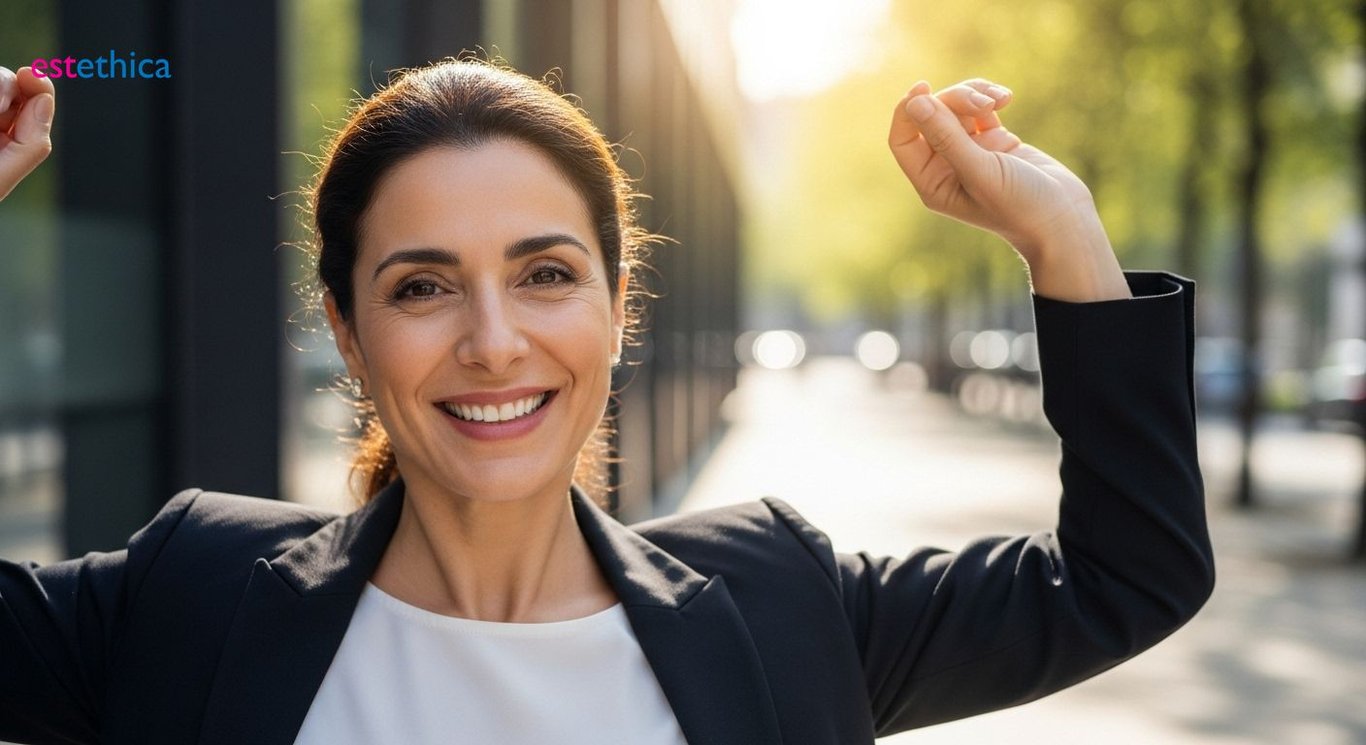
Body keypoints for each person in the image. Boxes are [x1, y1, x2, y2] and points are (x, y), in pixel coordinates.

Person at [0, 58, 1213, 744]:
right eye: (422, 286)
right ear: (346, 333)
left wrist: (1060, 232)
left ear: (616, 305)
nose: (492, 339)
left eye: (544, 274)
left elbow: (1128, 575)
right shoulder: (191, 595)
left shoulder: (776, 600)